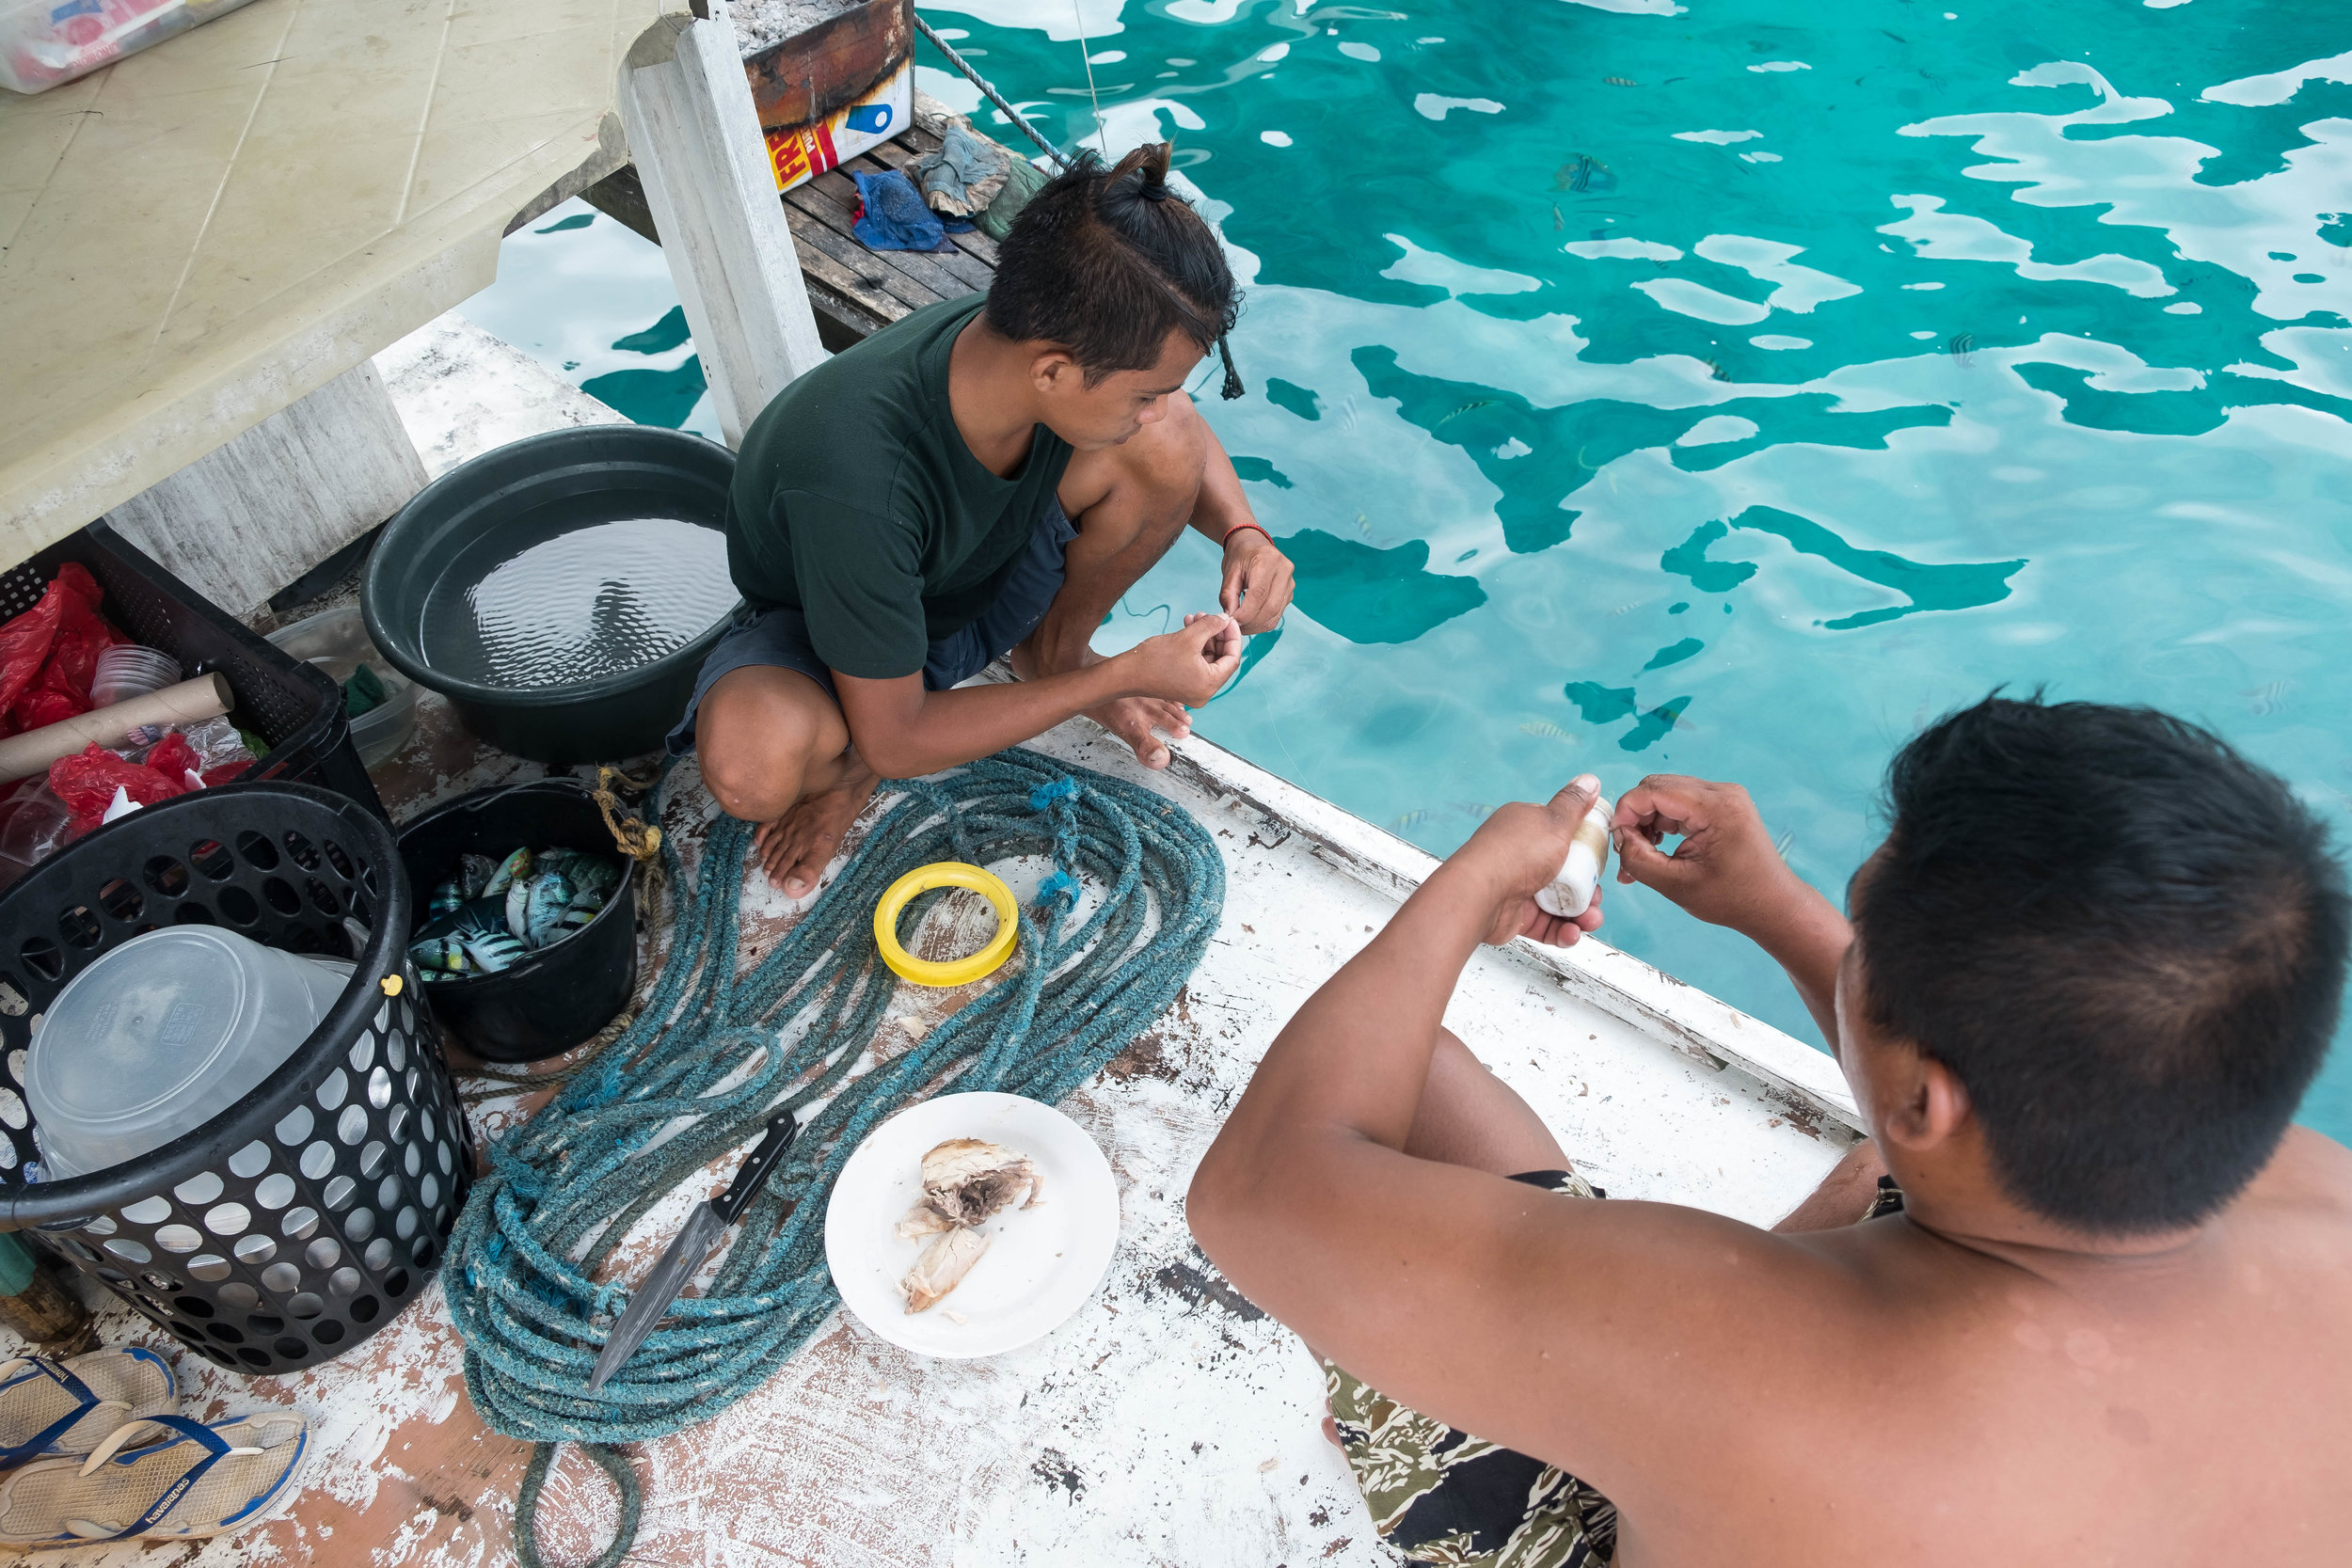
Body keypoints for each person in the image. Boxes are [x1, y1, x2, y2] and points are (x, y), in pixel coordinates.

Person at [1187, 695, 2352, 1566]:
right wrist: (1771, 907)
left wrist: (1473, 875)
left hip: (1803, 1447)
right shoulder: (2312, 1194)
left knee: (1405, 1074)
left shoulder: (1727, 1339)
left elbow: (1260, 1191)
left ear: (1924, 1106)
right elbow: (2005, 1079)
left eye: (1860, 922)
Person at [672, 142, 1296, 892]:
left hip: (970, 578)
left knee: (1165, 444)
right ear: (1054, 373)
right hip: (834, 640)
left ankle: (1052, 657)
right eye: (1146, 391)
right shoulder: (857, 481)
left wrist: (1244, 532)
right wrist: (1124, 674)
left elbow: (1178, 424)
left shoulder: (1024, 341)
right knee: (751, 771)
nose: (1161, 405)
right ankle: (867, 758)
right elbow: (899, 741)